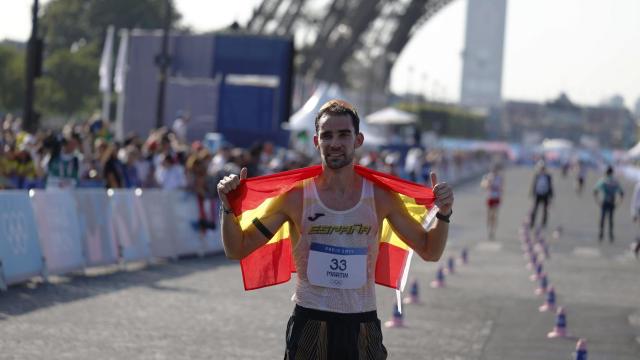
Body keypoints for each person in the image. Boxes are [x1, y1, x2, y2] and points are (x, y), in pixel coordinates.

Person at [217, 99, 454, 359]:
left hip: (361, 325)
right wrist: (228, 208)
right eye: (327, 135)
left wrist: (443, 214)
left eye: (344, 134)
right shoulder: (295, 197)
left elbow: (430, 251)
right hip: (310, 323)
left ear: (358, 139)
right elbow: (237, 249)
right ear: (317, 142)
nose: (335, 143)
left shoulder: (381, 197)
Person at [593, 166, 624, 242]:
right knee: (611, 219)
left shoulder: (603, 180)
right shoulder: (615, 181)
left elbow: (595, 190)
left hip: (605, 201)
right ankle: (611, 235)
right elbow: (622, 193)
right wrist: (618, 203)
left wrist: (597, 201)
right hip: (612, 202)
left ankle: (601, 233)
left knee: (603, 218)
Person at [481, 163, 504, 240]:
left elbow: (502, 188)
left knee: (494, 215)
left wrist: (501, 195)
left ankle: (493, 231)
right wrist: (488, 183)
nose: (494, 171)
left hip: (496, 197)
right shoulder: (488, 176)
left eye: (495, 170)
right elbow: (483, 186)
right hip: (490, 197)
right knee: (489, 215)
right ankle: (488, 230)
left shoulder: (500, 178)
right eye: (493, 170)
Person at [529, 160, 553, 229]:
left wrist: (551, 195)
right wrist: (532, 193)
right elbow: (534, 185)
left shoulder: (548, 176)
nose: (542, 169)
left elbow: (550, 186)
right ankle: (532, 223)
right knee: (535, 209)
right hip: (538, 194)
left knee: (545, 210)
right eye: (541, 168)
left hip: (545, 194)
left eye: (543, 168)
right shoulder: (537, 176)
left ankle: (544, 223)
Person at [631, 179, 640, 257]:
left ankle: (636, 245)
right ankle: (636, 246)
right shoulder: (638, 185)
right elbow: (635, 199)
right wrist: (634, 213)